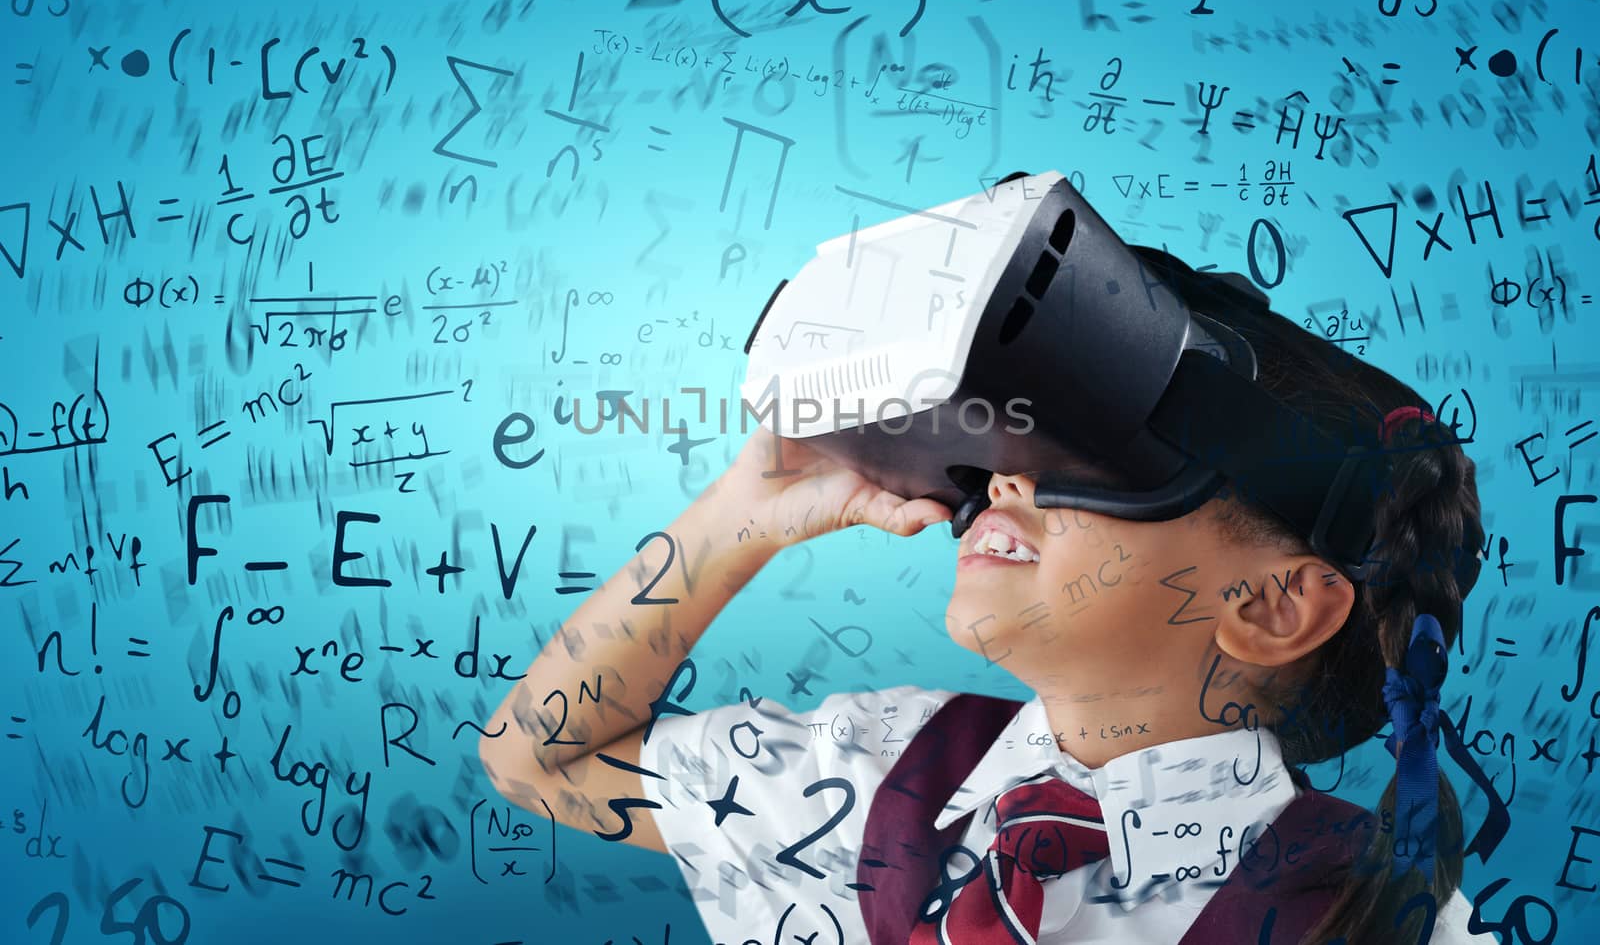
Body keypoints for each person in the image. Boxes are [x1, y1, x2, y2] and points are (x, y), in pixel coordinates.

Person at [478, 245, 1494, 945]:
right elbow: (539, 758)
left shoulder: (1376, 917)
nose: (1006, 477)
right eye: (1019, 435)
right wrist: (745, 512)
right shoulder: (877, 774)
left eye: (1106, 450)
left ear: (1273, 605)